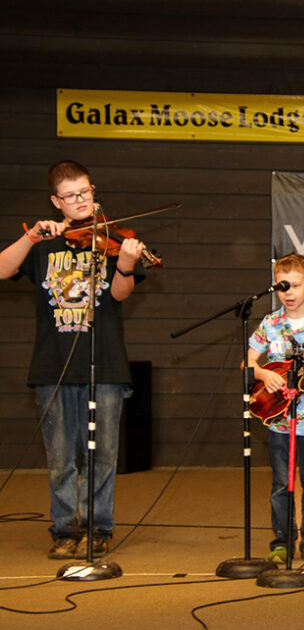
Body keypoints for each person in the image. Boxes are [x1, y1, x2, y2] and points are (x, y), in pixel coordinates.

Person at [0, 161, 147, 559]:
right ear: (56, 202)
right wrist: (30, 237)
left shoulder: (115, 239)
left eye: (84, 192)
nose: (80, 201)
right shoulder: (43, 242)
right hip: (53, 364)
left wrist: (128, 265)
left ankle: (99, 528)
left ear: (93, 190)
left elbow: (117, 296)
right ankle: (65, 530)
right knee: (61, 457)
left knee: (103, 456)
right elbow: (2, 268)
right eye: (70, 196)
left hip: (106, 364)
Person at [247, 253, 304, 564]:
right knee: (280, 483)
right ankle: (281, 541)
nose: (288, 292)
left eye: (295, 286)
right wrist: (263, 373)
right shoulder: (270, 323)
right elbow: (249, 360)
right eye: (282, 286)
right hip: (278, 418)